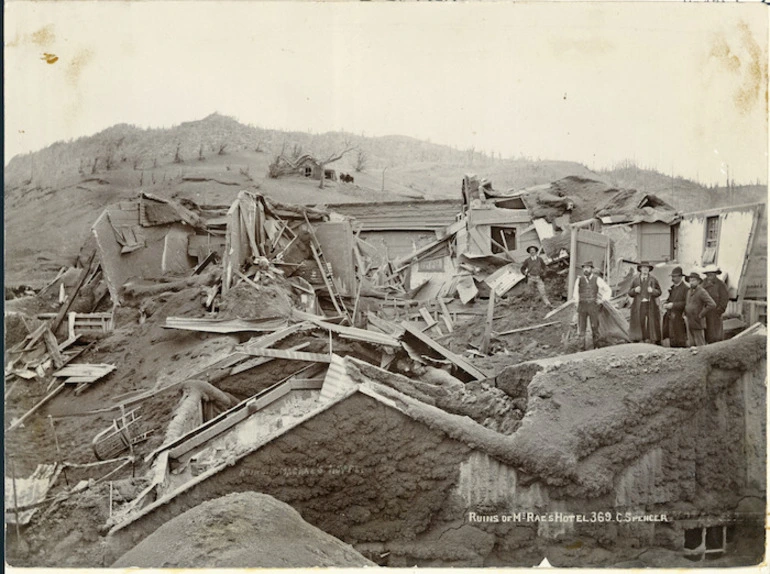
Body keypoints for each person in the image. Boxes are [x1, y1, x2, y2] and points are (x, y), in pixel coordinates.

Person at [572, 260, 611, 350]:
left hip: (593, 306)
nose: (586, 270)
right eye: (584, 268)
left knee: (595, 327)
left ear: (591, 269)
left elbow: (608, 289)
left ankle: (596, 347)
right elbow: (575, 293)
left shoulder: (597, 279)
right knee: (582, 328)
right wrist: (576, 303)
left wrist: (603, 300)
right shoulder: (579, 280)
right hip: (582, 306)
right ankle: (581, 348)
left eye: (588, 268)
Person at [628, 261, 662, 344]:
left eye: (647, 268)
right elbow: (629, 292)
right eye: (644, 268)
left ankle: (653, 339)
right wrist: (634, 290)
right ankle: (640, 338)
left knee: (652, 321)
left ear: (649, 269)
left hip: (651, 304)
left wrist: (653, 291)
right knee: (640, 321)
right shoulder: (635, 280)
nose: (645, 269)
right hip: (639, 304)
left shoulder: (653, 280)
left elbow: (659, 292)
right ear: (640, 269)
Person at [684, 271, 716, 347]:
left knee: (700, 345)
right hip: (690, 320)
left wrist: (701, 314)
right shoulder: (689, 291)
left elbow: (712, 304)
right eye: (690, 281)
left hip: (698, 321)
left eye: (694, 280)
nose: (691, 283)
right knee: (692, 344)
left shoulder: (702, 291)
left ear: (698, 281)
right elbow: (688, 304)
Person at [662, 266, 688, 348]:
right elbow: (669, 299)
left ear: (680, 277)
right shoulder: (673, 288)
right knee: (672, 337)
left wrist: (673, 305)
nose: (673, 278)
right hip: (671, 316)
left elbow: (686, 303)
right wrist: (665, 303)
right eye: (672, 276)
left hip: (680, 317)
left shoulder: (686, 289)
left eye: (675, 276)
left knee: (680, 338)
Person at [702, 265, 729, 343]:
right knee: (705, 333)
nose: (709, 276)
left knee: (715, 335)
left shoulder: (721, 285)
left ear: (716, 274)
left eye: (712, 274)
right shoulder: (702, 284)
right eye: (708, 274)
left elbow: (724, 298)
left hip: (715, 313)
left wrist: (719, 310)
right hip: (704, 312)